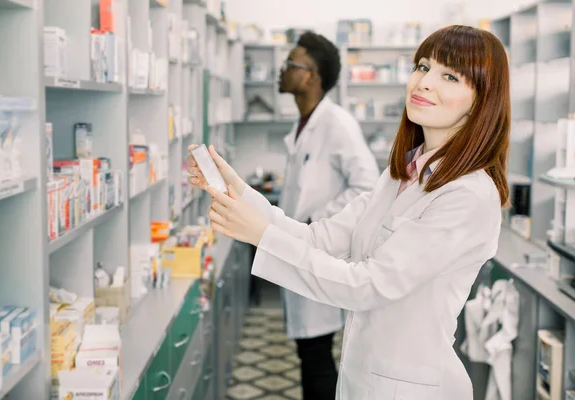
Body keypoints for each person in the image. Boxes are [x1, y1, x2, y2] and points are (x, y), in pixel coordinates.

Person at [188, 24, 510, 399]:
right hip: (362, 376)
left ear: (481, 100)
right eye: (422, 67)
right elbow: (318, 238)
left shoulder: (468, 195)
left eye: (449, 76)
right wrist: (240, 192)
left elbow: (369, 285)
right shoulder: (401, 175)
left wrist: (262, 236)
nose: (423, 83)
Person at [270, 30, 379, 399]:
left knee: (316, 356)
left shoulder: (337, 124)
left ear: (311, 75)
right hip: (304, 254)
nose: (282, 70)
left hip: (319, 254)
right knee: (310, 354)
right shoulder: (305, 123)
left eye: (291, 64)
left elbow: (367, 186)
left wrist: (314, 221)